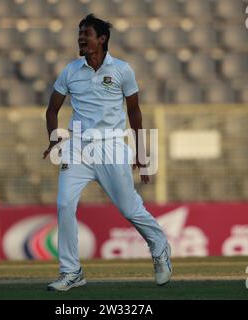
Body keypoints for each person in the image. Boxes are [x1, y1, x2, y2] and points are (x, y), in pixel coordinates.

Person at [43, 14, 172, 292]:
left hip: (112, 145)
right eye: (79, 33)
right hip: (77, 146)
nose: (80, 37)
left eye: (86, 33)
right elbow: (52, 109)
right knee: (65, 204)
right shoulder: (70, 71)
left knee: (129, 208)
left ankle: (160, 247)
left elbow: (134, 111)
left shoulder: (123, 70)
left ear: (101, 39)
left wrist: (140, 151)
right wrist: (54, 139)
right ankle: (71, 271)